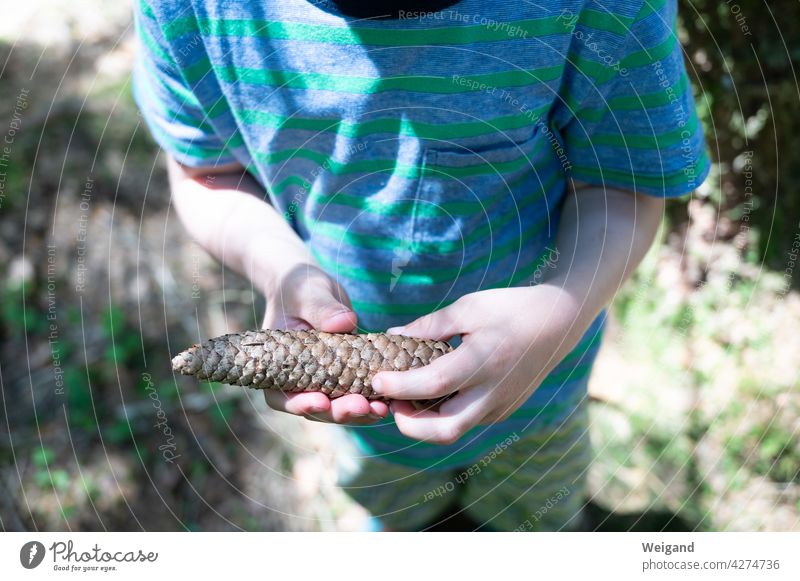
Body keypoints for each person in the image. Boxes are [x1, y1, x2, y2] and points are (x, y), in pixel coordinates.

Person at [133, 0, 709, 530]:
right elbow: (206, 173)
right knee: (397, 511)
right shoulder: (192, 11)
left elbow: (621, 182)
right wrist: (280, 266)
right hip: (362, 422)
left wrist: (563, 305)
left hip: (540, 388)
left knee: (535, 516)